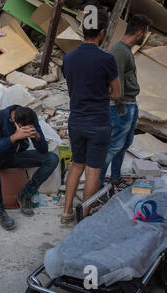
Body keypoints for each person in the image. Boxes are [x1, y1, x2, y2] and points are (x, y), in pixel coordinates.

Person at [61, 8, 121, 224]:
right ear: (102, 32)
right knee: (93, 170)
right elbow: (117, 93)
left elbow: (71, 89)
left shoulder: (68, 59)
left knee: (76, 165)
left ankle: (66, 212)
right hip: (98, 122)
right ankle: (83, 218)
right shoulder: (107, 59)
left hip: (76, 121)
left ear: (82, 30)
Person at [99, 15, 151, 190]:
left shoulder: (125, 50)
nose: (145, 37)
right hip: (122, 107)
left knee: (123, 145)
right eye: (145, 33)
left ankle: (114, 178)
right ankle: (96, 182)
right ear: (139, 32)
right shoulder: (119, 51)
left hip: (130, 104)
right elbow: (115, 83)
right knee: (114, 146)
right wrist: (121, 108)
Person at [0, 105, 59, 230]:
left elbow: (43, 150)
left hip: (17, 156)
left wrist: (37, 136)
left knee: (52, 158)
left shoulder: (30, 116)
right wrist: (15, 137)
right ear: (14, 121)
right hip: (0, 157)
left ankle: (25, 194)